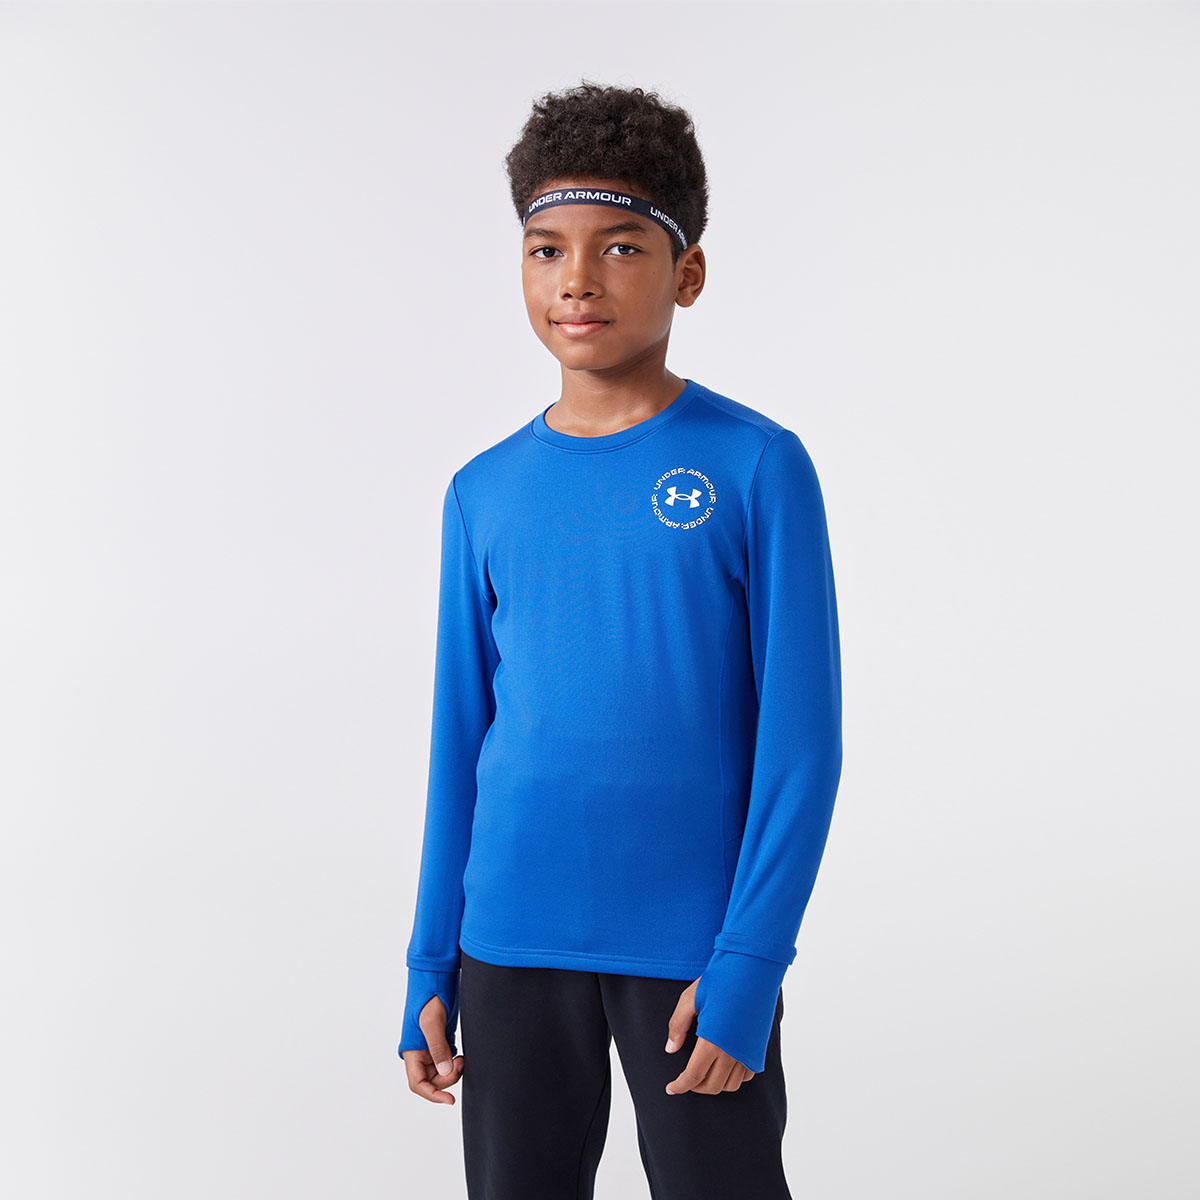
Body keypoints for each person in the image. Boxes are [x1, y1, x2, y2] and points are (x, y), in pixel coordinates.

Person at [398, 80, 843, 1200]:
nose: (578, 281)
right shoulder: (483, 491)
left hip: (692, 951)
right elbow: (460, 742)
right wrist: (430, 958)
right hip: (508, 937)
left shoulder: (756, 466)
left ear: (688, 273)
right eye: (547, 250)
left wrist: (750, 961)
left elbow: (801, 751)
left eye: (622, 247)